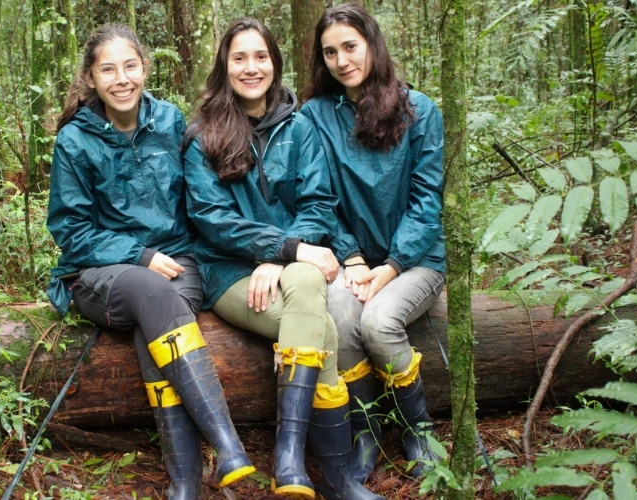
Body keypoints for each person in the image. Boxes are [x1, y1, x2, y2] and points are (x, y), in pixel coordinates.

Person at [45, 23, 255, 499]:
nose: (122, 79)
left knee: (152, 332)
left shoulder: (170, 120)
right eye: (108, 70)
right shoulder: (75, 142)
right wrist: (140, 255)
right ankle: (227, 443)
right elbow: (71, 232)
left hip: (180, 264)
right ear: (91, 79)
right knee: (150, 292)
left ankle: (184, 481)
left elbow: (197, 201)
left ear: (145, 68)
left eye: (130, 66)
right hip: (100, 275)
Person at [183, 17, 384, 500]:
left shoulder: (301, 127)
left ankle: (291, 456)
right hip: (228, 273)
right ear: (224, 66)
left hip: (290, 270)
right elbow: (212, 219)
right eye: (239, 58)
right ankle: (332, 476)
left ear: (274, 63)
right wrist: (283, 251)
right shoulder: (202, 134)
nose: (251, 68)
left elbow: (318, 204)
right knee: (322, 323)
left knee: (309, 290)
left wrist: (281, 257)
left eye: (260, 57)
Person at [300, 2, 446, 481]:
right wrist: (353, 258)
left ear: (371, 45)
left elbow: (427, 201)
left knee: (380, 322)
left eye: (350, 47)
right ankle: (366, 430)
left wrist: (392, 266)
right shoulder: (317, 116)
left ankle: (416, 427)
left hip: (416, 259)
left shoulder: (420, 110)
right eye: (330, 53)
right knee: (340, 317)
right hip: (353, 260)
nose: (342, 61)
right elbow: (320, 197)